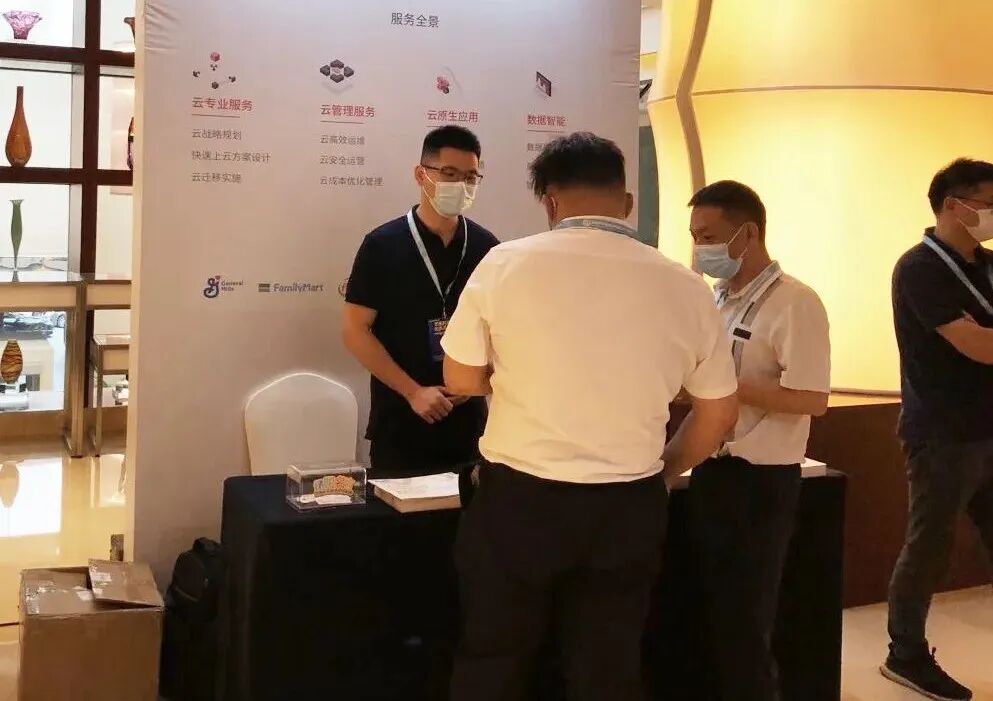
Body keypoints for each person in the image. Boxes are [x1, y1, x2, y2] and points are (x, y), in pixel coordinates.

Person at [441, 132, 739, 701]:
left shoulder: (503, 264)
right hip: (628, 505)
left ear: (549, 201)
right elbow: (719, 411)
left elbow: (458, 378)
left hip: (520, 501)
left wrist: (508, 380)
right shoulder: (685, 284)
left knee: (494, 657)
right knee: (608, 666)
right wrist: (664, 470)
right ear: (626, 204)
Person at [685, 181, 831, 701]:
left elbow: (812, 397)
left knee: (746, 620)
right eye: (694, 236)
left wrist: (725, 385)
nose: (700, 249)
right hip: (711, 469)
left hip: (761, 481)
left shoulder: (795, 301)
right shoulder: (717, 299)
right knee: (710, 615)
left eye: (709, 237)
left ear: (748, 234)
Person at [884, 158, 993, 701]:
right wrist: (981, 337)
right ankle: (904, 653)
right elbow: (977, 346)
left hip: (988, 427)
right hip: (943, 433)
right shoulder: (920, 268)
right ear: (954, 204)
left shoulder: (987, 265)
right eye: (989, 203)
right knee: (929, 546)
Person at [342, 125, 499, 474]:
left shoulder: (488, 248)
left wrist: (476, 382)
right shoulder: (382, 245)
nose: (461, 185)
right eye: (450, 174)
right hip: (401, 422)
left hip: (470, 426)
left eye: (470, 177)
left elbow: (500, 331)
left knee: (469, 509)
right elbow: (354, 330)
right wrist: (413, 392)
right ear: (421, 174)